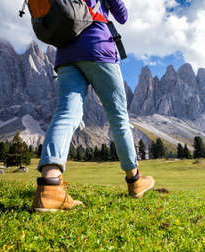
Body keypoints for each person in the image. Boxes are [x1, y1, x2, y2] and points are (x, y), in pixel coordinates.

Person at [32, 0, 155, 212]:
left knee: (65, 113)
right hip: (98, 47)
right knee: (118, 117)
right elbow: (122, 15)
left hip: (66, 53)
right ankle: (135, 181)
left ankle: (50, 186)